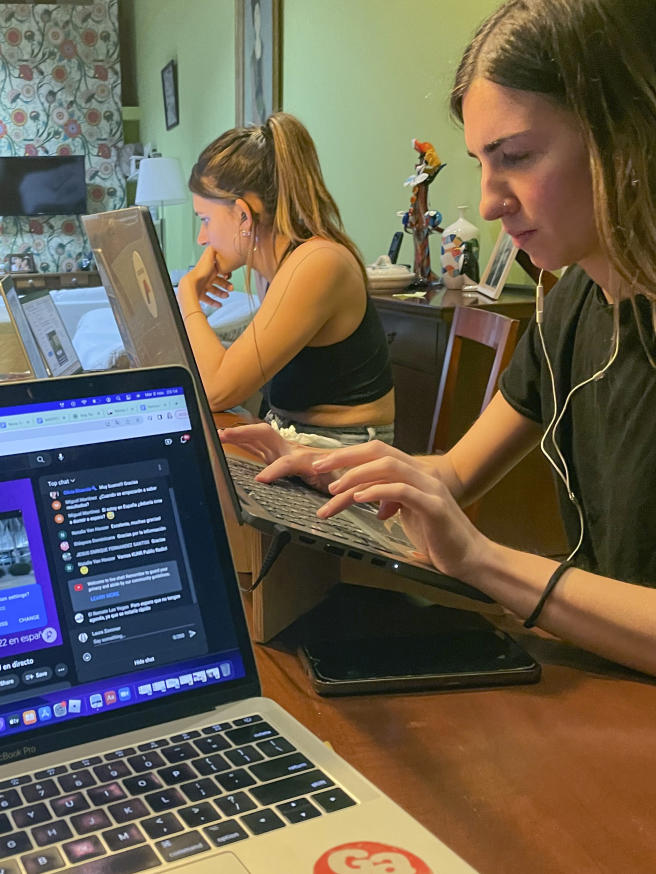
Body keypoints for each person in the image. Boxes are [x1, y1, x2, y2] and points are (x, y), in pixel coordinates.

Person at [221, 0, 656, 677]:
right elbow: (453, 473)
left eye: (516, 157)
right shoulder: (572, 303)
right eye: (483, 162)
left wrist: (483, 560)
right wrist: (326, 467)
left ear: (626, 136)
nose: (487, 202)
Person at [178, 112, 395, 446]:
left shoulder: (317, 262)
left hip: (341, 455)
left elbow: (215, 390)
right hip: (296, 440)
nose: (202, 239)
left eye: (206, 220)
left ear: (242, 215)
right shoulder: (278, 267)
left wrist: (187, 295)